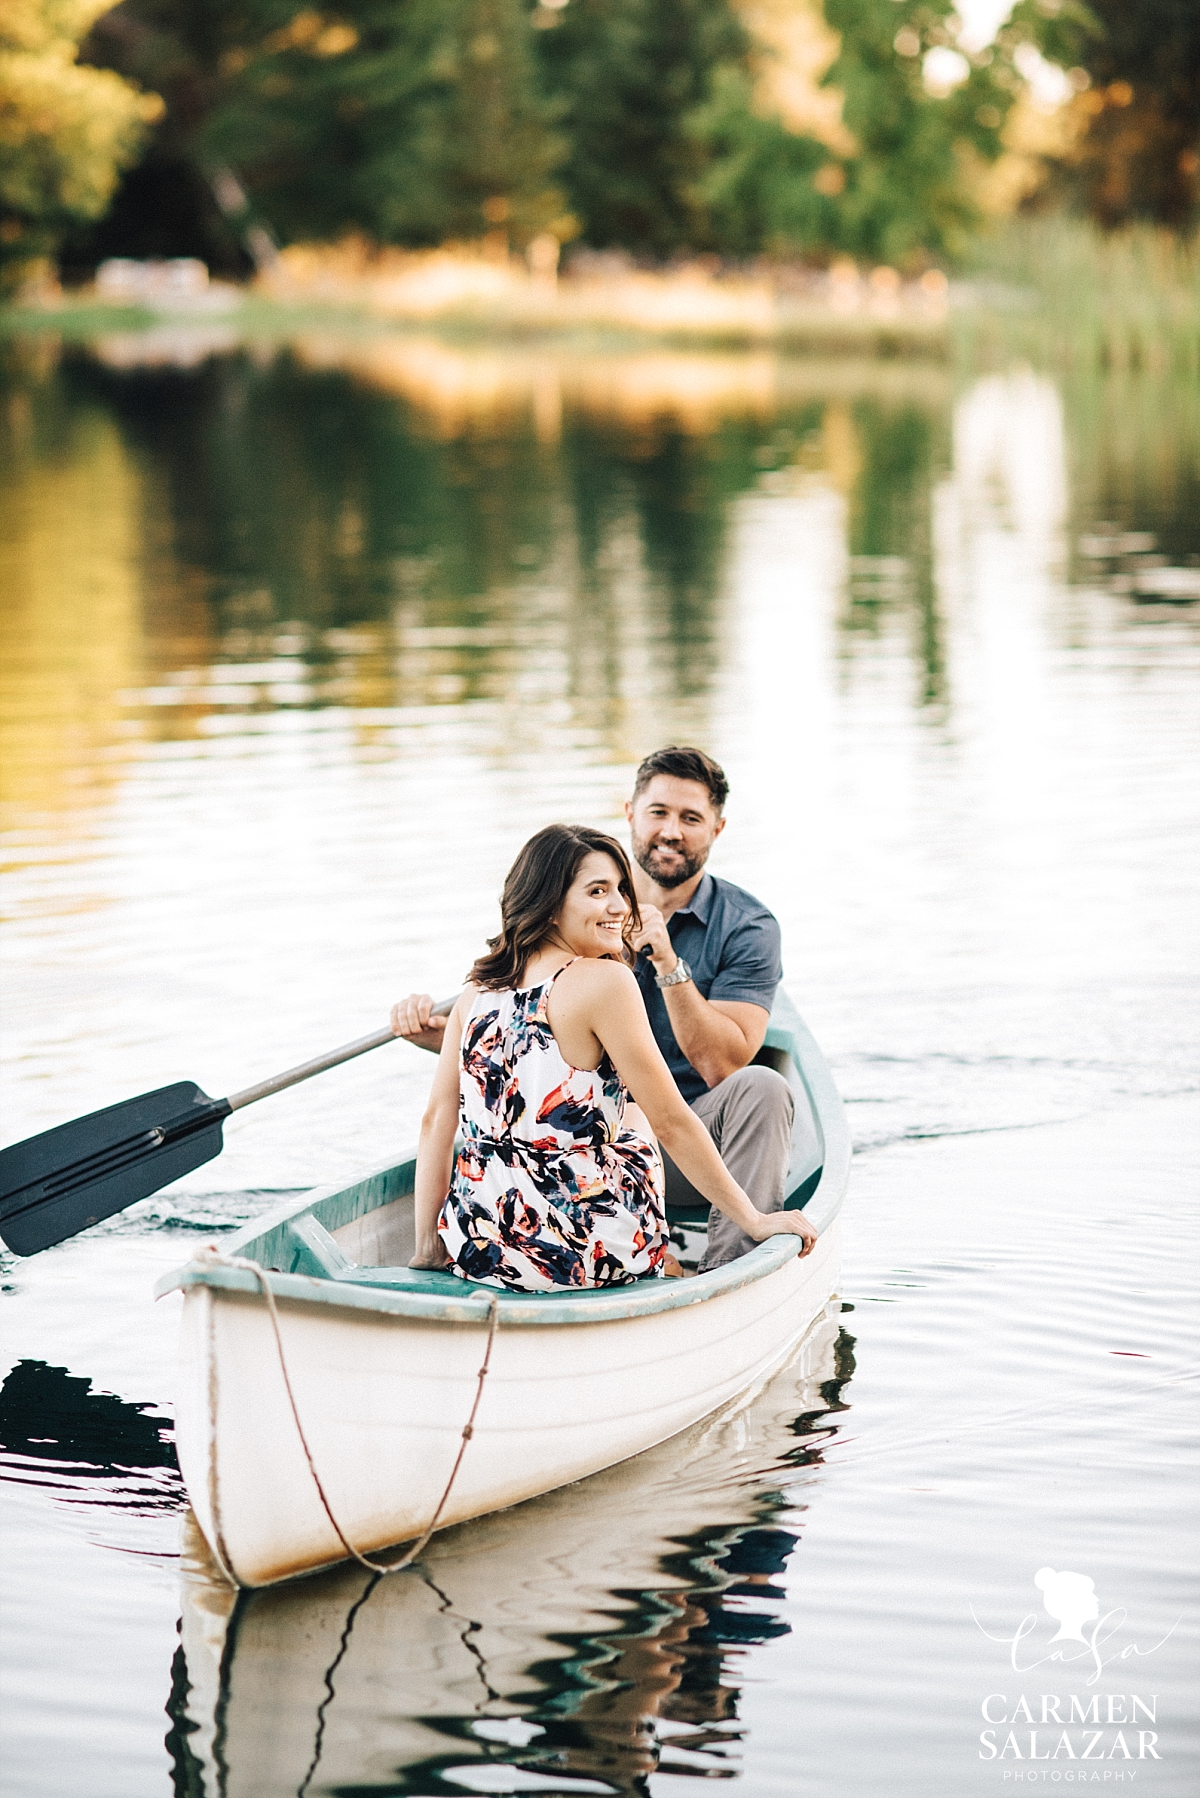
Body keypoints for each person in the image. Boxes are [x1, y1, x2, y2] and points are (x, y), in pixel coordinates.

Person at [394, 746, 811, 1272]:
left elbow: (448, 1110)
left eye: (691, 818)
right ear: (631, 812)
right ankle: (688, 1269)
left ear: (717, 829)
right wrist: (756, 1218)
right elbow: (664, 1118)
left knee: (727, 1092)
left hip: (483, 1242)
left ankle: (720, 1263)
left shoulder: (478, 986)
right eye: (598, 891)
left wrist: (428, 1248)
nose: (619, 906)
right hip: (582, 1243)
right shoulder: (606, 976)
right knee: (633, 1111)